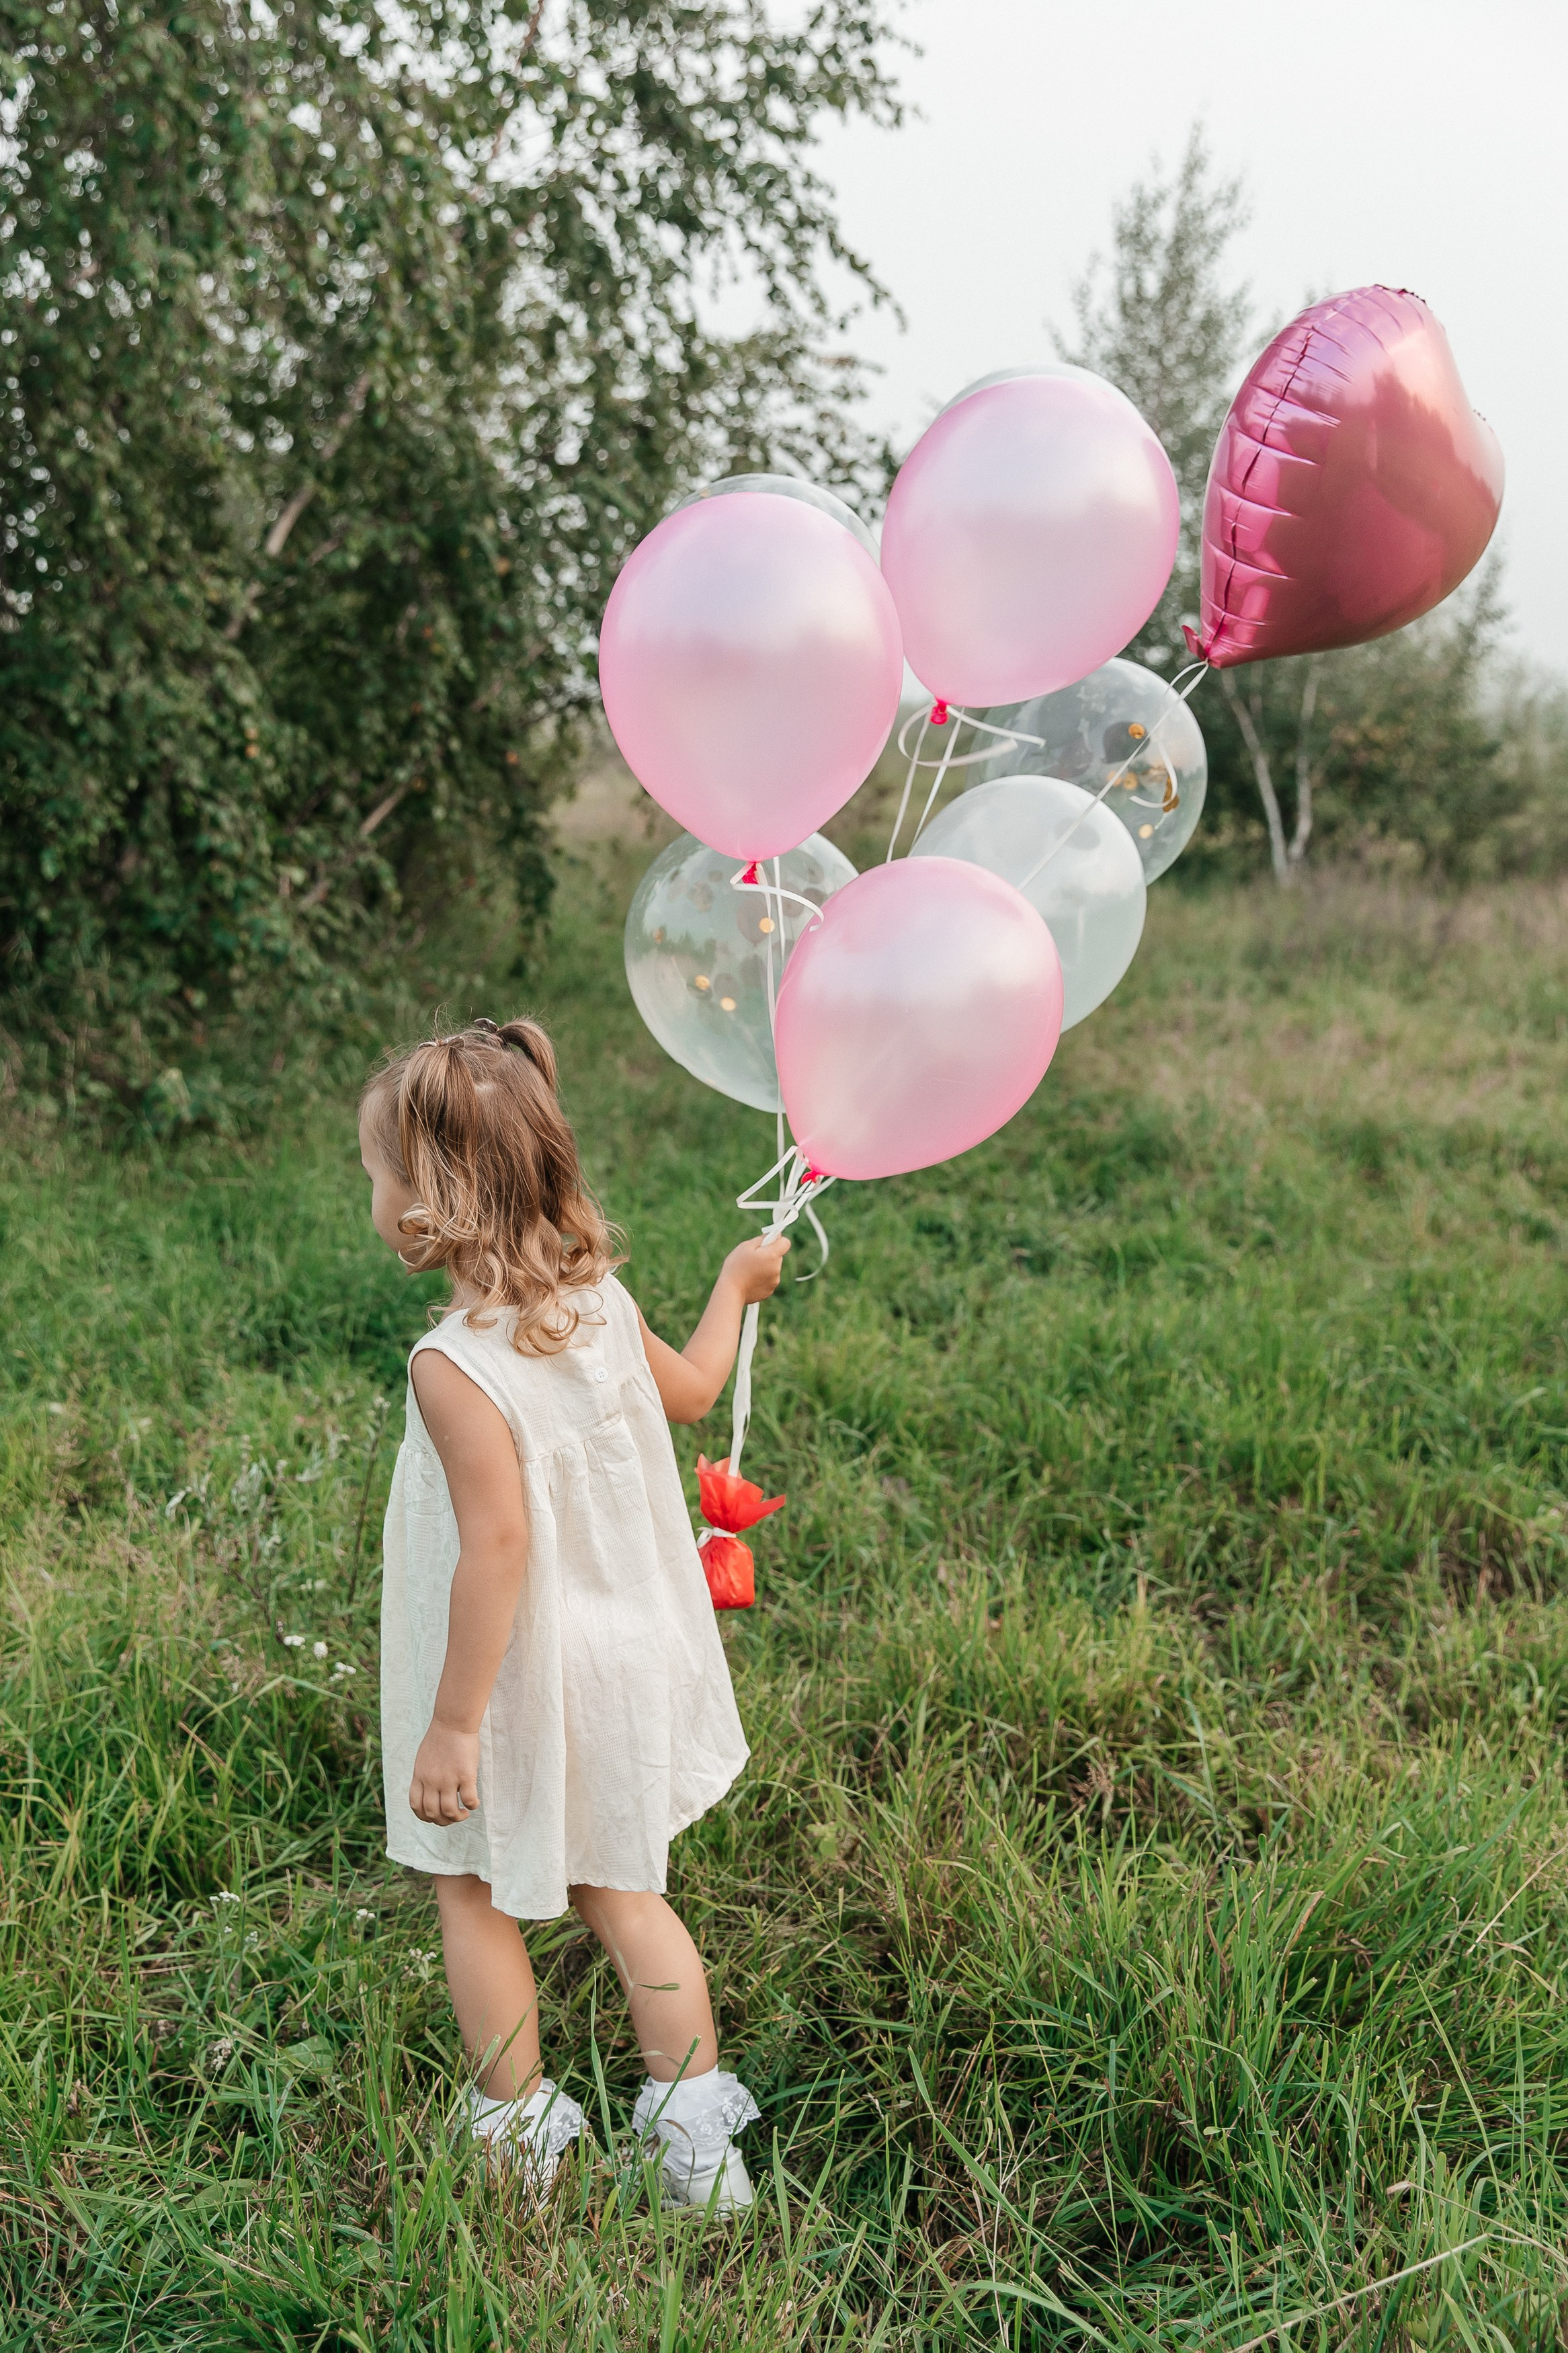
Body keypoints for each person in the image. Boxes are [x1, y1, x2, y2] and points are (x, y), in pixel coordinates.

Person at [359, 1014, 788, 2208]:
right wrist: (736, 1285)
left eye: (380, 1173)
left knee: (471, 1886)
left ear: (429, 1203)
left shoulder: (455, 1363)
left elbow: (496, 1546)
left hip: (516, 1672)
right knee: (626, 1894)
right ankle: (700, 2158)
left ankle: (520, 2143)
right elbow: (696, 1392)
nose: (375, 1193)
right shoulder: (595, 1296)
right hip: (625, 1651)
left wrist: (451, 1727)